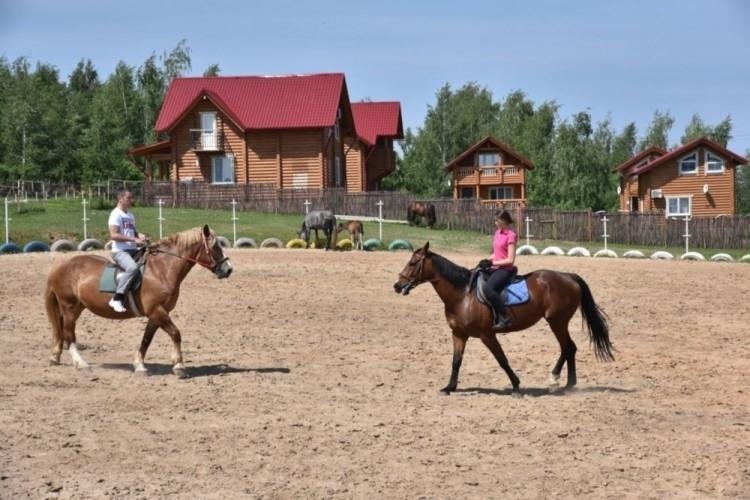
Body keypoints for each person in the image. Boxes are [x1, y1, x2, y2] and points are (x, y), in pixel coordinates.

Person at [107, 189, 146, 312]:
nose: (131, 200)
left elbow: (133, 232)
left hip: (133, 249)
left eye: (131, 198)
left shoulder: (130, 215)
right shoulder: (115, 214)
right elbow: (113, 235)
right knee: (132, 268)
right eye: (129, 198)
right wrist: (133, 239)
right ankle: (117, 298)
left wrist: (140, 235)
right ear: (121, 199)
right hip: (120, 251)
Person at [479, 210, 517, 328]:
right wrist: (487, 261)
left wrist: (492, 263)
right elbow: (497, 253)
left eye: (497, 220)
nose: (495, 223)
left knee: (488, 289)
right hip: (495, 266)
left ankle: (505, 318)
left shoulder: (511, 235)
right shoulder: (497, 233)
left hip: (505, 269)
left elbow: (510, 260)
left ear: (503, 221)